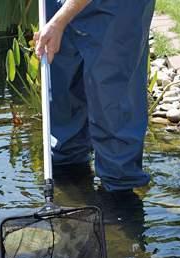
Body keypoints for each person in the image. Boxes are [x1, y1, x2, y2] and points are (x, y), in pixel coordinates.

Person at [34, 0, 156, 192]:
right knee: (64, 99)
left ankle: (120, 205)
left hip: (117, 8)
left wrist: (59, 22)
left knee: (112, 97)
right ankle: (69, 187)